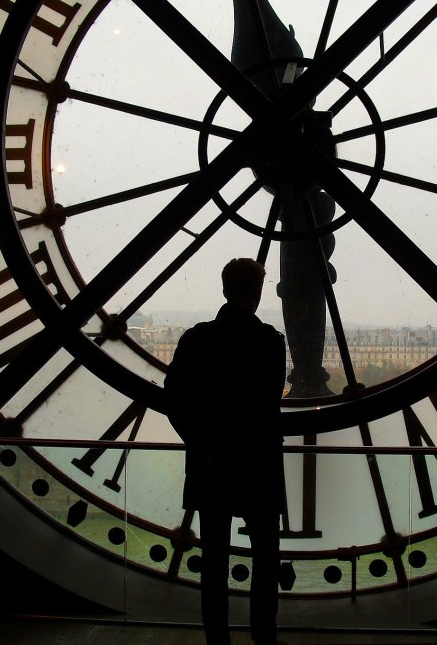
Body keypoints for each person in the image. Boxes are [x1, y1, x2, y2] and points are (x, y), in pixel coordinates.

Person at [165, 258, 287, 645]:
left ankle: (217, 638)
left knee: (214, 560)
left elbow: (176, 401)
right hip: (257, 465)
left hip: (208, 467)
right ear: (257, 293)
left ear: (224, 289)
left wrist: (207, 449)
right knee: (265, 558)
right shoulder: (269, 342)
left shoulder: (195, 339)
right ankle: (263, 636)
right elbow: (262, 409)